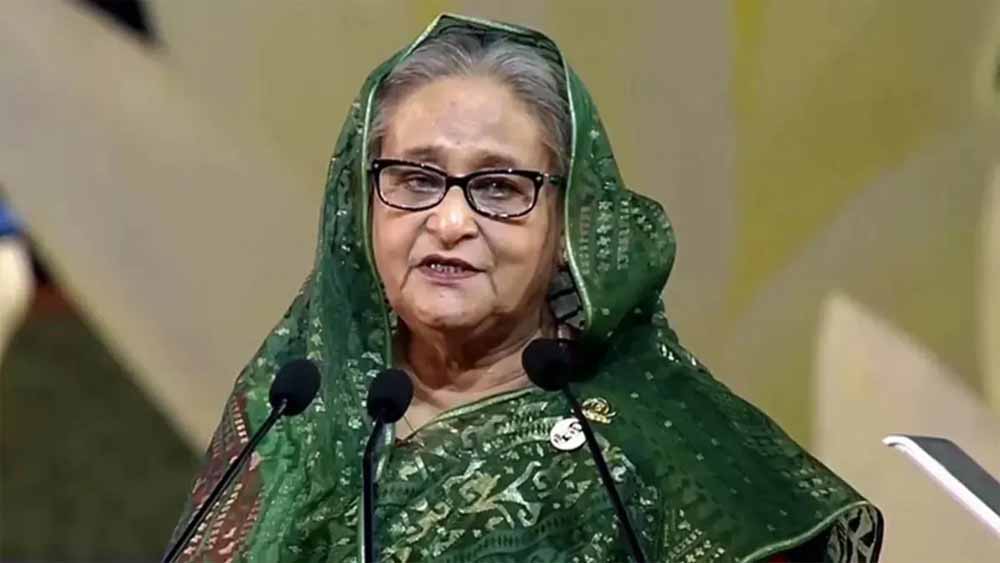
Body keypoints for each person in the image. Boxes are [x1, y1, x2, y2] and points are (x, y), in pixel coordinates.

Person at [170, 15, 883, 562]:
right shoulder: (294, 403)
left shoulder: (653, 453)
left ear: (567, 220)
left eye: (499, 186)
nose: (450, 221)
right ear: (361, 203)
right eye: (415, 178)